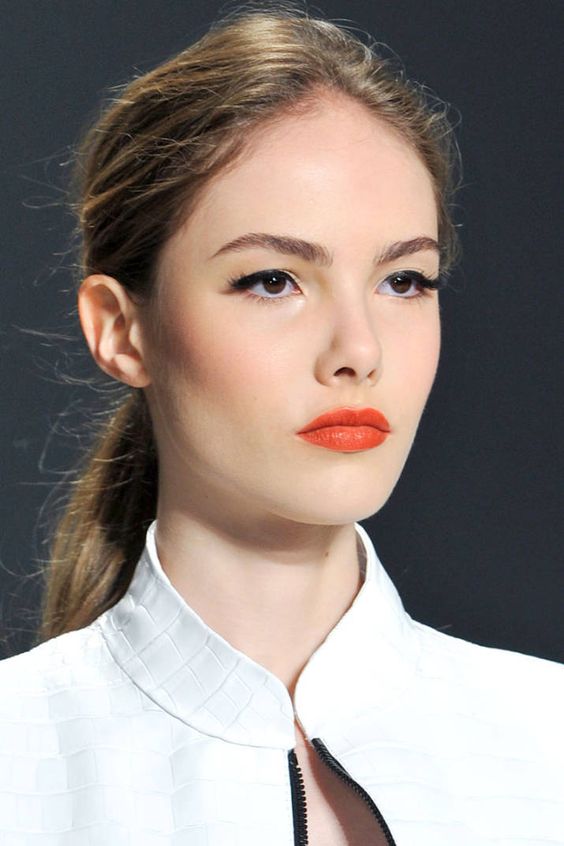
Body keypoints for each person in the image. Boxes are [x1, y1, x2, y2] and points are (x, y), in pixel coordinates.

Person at [0, 6, 562, 845]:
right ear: (121, 330)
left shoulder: (548, 742)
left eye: (404, 281)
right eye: (272, 280)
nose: (359, 350)